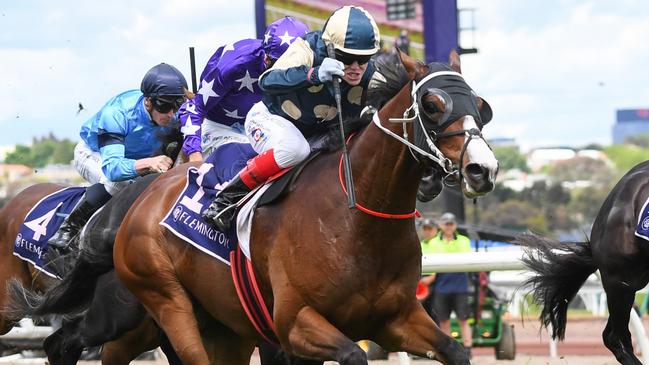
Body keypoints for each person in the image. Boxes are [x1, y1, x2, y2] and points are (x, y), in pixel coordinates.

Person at [204, 5, 381, 231]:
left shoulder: (370, 73)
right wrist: (313, 74)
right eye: (347, 58)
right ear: (330, 48)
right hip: (270, 120)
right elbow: (267, 81)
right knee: (295, 149)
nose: (356, 68)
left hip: (318, 134)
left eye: (363, 59)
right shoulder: (307, 48)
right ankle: (226, 199)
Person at [48, 63, 189, 248]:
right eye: (164, 107)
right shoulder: (117, 113)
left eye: (176, 107)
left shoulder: (174, 112)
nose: (171, 114)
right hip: (95, 154)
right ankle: (68, 229)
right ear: (148, 101)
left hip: (138, 158)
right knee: (119, 182)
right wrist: (149, 162)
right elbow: (113, 169)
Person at [177, 17, 310, 162]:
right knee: (250, 155)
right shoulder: (234, 65)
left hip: (265, 124)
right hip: (221, 128)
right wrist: (194, 154)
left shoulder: (309, 62)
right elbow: (193, 107)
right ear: (267, 59)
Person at [427, 212, 473, 354]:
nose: (448, 227)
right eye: (446, 224)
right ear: (441, 225)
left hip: (460, 285)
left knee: (463, 319)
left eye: (451, 224)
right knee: (443, 321)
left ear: (455, 225)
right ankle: (449, 350)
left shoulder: (464, 240)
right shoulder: (434, 242)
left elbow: (465, 258)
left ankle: (468, 348)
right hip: (442, 285)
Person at [418, 218, 439, 318]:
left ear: (436, 230)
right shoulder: (421, 244)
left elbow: (442, 262)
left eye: (429, 229)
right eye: (425, 229)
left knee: (435, 312)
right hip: (423, 281)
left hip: (435, 281)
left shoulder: (439, 243)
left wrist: (432, 277)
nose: (427, 232)